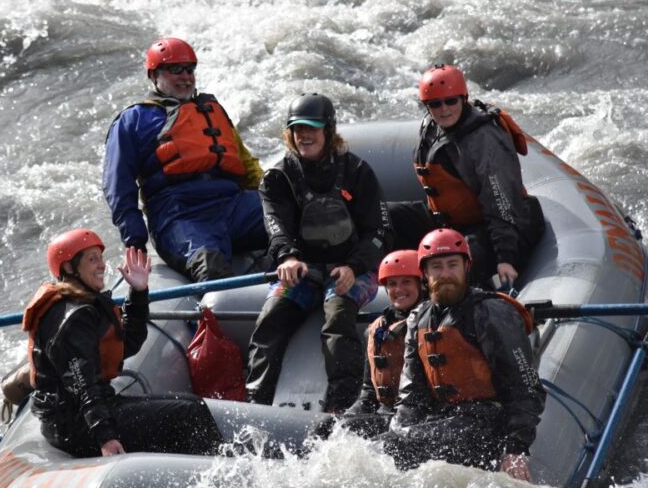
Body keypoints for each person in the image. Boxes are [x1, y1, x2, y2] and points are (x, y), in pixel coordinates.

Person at [245, 93, 392, 413]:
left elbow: (379, 232)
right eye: (297, 129)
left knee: (338, 316)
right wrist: (287, 257)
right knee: (270, 319)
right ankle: (257, 403)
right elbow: (275, 226)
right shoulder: (278, 178)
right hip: (302, 270)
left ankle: (345, 406)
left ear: (329, 130)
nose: (304, 135)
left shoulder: (357, 171)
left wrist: (354, 265)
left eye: (312, 127)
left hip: (351, 269)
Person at [23, 228, 224, 457]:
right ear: (69, 268)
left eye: (100, 258)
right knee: (189, 412)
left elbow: (127, 344)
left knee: (188, 406)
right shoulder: (72, 318)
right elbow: (82, 382)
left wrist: (138, 293)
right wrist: (105, 436)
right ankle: (219, 475)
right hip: (75, 424)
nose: (101, 265)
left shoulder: (83, 305)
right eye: (92, 259)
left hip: (86, 413)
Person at [378, 228, 546, 482]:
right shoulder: (419, 318)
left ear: (466, 267)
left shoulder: (489, 312)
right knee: (365, 439)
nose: (445, 274)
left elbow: (524, 387)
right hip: (444, 419)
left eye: (452, 265)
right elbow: (412, 393)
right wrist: (400, 427)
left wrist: (516, 449)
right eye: (436, 267)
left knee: (395, 445)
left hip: (487, 424)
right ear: (424, 273)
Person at [103, 37, 267, 282]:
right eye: (175, 70)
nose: (185, 77)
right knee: (211, 267)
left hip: (233, 204)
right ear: (153, 75)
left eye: (190, 70)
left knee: (301, 214)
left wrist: (274, 195)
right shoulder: (133, 119)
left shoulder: (212, 109)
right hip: (180, 215)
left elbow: (245, 163)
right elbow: (118, 185)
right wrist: (134, 240)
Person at [389, 64, 544, 287]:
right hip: (450, 221)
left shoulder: (484, 140)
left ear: (464, 98)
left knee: (453, 257)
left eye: (451, 101)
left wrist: (506, 258)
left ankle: (442, 299)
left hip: (494, 229)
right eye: (435, 104)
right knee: (385, 215)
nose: (444, 109)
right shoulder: (431, 127)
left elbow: (501, 203)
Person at [339, 250, 424, 437]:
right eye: (392, 284)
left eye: (406, 282)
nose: (399, 290)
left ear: (421, 284)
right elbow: (368, 392)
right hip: (387, 414)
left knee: (383, 443)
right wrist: (346, 419)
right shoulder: (377, 328)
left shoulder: (431, 323)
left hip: (422, 419)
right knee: (330, 429)